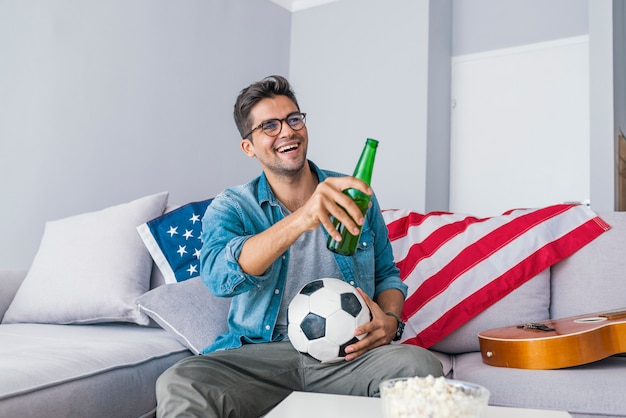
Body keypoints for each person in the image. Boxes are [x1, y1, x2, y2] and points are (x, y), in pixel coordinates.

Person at [156, 75, 443, 417]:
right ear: (248, 146)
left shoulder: (354, 194)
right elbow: (218, 277)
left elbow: (387, 275)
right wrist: (303, 217)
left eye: (294, 119)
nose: (287, 132)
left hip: (348, 357)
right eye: (269, 126)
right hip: (261, 357)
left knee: (419, 366)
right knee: (181, 381)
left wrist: (390, 321)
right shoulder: (232, 206)